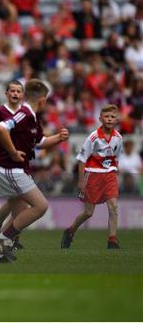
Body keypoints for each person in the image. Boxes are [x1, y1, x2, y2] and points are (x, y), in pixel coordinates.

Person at [0, 79, 69, 263]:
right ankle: (3, 239)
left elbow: (40, 143)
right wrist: (13, 152)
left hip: (12, 167)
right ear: (41, 100)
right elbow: (1, 128)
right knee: (40, 206)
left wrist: (58, 138)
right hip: (10, 167)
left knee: (20, 212)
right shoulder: (24, 113)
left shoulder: (32, 116)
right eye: (46, 99)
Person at [61, 105, 123, 249]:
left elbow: (116, 157)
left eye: (112, 117)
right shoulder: (93, 137)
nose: (109, 119)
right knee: (89, 212)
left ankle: (112, 240)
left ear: (116, 119)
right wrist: (81, 181)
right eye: (106, 116)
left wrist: (115, 172)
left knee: (114, 207)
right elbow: (82, 159)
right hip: (93, 175)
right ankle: (70, 231)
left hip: (109, 175)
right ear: (100, 118)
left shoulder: (118, 138)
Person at [0, 80, 27, 249]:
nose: (15, 94)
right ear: (6, 94)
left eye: (19, 91)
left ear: (22, 95)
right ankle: (10, 237)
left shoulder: (26, 113)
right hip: (3, 161)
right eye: (12, 91)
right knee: (19, 199)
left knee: (16, 200)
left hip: (20, 161)